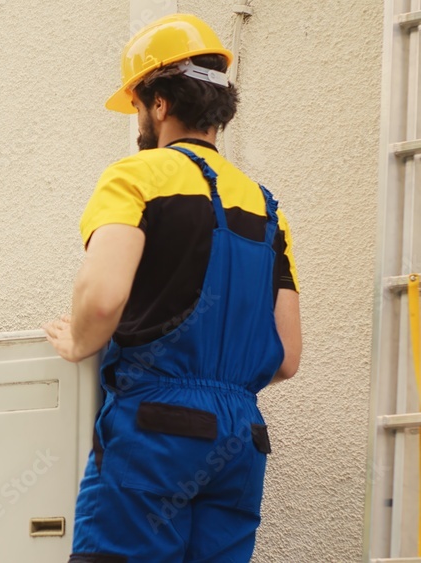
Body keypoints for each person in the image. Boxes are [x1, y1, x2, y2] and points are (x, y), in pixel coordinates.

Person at [44, 14, 302, 562]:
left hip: (155, 429)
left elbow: (103, 298)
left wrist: (77, 342)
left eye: (138, 104)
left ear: (159, 103)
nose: (138, 119)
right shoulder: (267, 210)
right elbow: (287, 357)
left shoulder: (135, 177)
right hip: (240, 440)